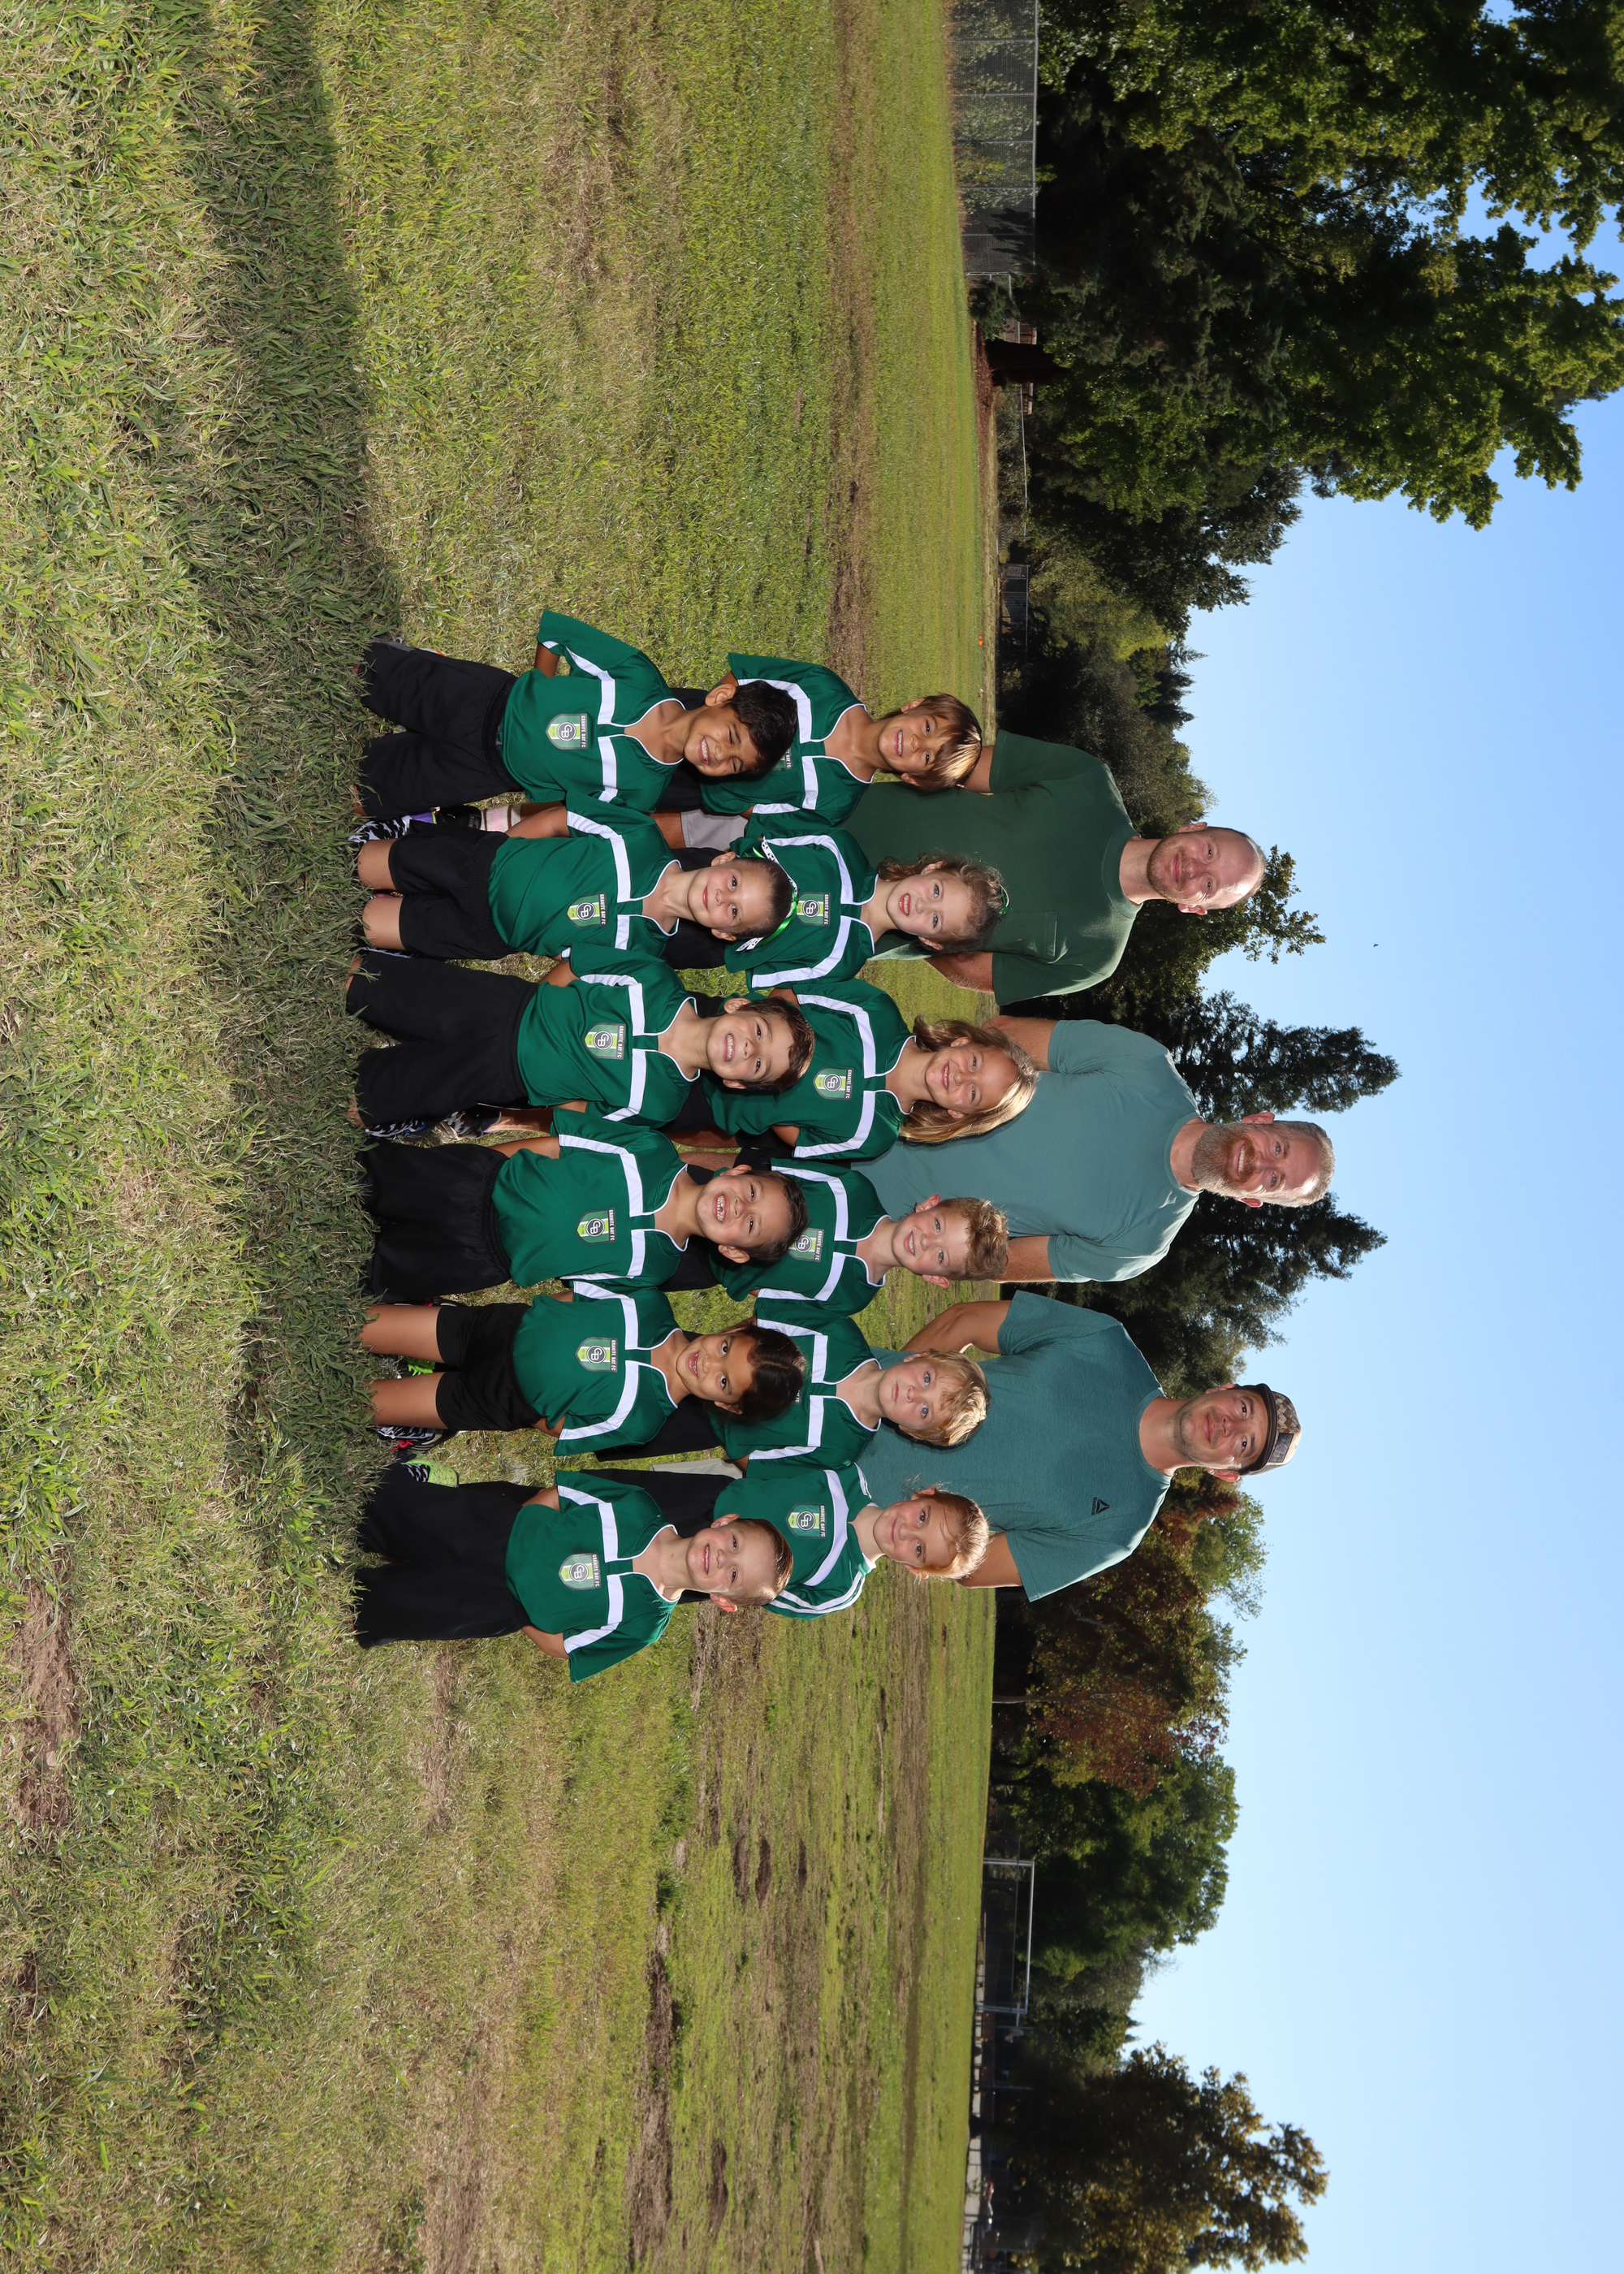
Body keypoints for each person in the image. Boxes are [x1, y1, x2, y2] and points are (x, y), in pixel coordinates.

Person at [857, 1294, 1302, 1599]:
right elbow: (966, 1321)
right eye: (1243, 1407)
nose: (1228, 1425)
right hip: (841, 1400)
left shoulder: (1118, 1531)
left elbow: (973, 1568)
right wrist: (880, 1402)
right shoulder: (1105, 1343)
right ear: (1225, 1389)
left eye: (1244, 1444)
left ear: (1225, 1473)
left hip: (850, 1506)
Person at [863, 1016, 1336, 1283]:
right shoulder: (1147, 1066)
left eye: (1275, 1179)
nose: (1262, 1163)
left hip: (867, 1214)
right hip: (873, 1108)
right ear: (1260, 1121)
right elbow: (1000, 1038)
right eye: (1278, 1147)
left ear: (1254, 1199)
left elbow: (997, 1263)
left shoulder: (1140, 1245)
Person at [843, 729, 1267, 1005]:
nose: (1193, 869)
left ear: (1194, 908)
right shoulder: (1088, 780)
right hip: (842, 813)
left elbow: (968, 968)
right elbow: (952, 766)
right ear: (1194, 827)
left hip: (842, 918)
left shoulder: (1097, 957)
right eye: (1208, 852)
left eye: (1208, 885)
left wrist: (911, 931)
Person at [346, 940, 812, 1138]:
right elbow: (580, 965)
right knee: (366, 982)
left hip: (499, 1077)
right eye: (759, 1032)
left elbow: (577, 1114)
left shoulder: (660, 1104)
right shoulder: (655, 979)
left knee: (364, 1099)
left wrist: (539, 1080)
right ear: (738, 1004)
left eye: (758, 1064)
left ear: (736, 1084)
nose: (748, 1048)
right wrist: (537, 1008)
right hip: (500, 1006)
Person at [351, 1467, 790, 1672]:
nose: (723, 1559)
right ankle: (364, 1517)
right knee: (386, 1508)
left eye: (734, 1575)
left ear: (721, 1600)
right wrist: (524, 1525)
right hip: (493, 1528)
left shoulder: (643, 1625)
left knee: (388, 1608)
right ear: (724, 1522)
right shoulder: (638, 1507)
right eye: (735, 1544)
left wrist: (523, 1609)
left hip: (496, 1605)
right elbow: (563, 1494)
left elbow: (565, 1647)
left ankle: (363, 1599)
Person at [352, 616, 797, 819]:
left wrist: (536, 785)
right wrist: (537, 689)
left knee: (361, 795)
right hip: (480, 699)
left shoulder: (643, 792)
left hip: (483, 771)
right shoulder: (638, 677)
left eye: (735, 764)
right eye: (731, 736)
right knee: (360, 668)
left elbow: (570, 812)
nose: (720, 755)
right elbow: (557, 634)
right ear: (720, 696)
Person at [359, 1113, 809, 1302]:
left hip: (481, 1259)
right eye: (752, 1192)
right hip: (475, 1186)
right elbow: (556, 1145)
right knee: (366, 1176)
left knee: (370, 1271)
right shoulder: (650, 1149)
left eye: (751, 1225)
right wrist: (483, 1167)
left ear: (733, 1251)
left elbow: (578, 1290)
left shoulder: (654, 1269)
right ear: (735, 1171)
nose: (738, 1208)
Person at [361, 1283, 805, 1447]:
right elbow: (580, 1296)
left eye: (723, 1382)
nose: (708, 1363)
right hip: (491, 1329)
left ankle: (417, 1414)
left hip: (495, 1400)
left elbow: (561, 1427)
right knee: (364, 1325)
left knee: (367, 1402)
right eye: (725, 1348)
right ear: (734, 1329)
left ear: (727, 1405)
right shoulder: (650, 1305)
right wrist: (540, 1320)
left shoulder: (643, 1422)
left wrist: (529, 1399)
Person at [353, 810, 793, 964]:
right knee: (359, 863)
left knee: (362, 923)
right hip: (480, 862)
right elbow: (559, 820)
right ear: (725, 858)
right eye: (734, 882)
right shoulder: (640, 837)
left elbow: (573, 963)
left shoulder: (643, 953)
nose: (722, 897)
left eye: (734, 911)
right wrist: (502, 849)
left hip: (487, 933)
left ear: (723, 933)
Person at [584, 1299, 988, 1467]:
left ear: (912, 1432)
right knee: (612, 1349)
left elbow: (762, 1467)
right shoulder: (841, 1334)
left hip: (699, 1428)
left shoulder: (841, 1451)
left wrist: (732, 1434)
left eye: (924, 1410)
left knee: (603, 1422)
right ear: (918, 1356)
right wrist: (719, 1362)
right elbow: (758, 1325)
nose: (913, 1393)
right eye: (926, 1378)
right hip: (701, 1364)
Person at [697, 980, 1039, 1164]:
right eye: (975, 1063)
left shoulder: (875, 1136)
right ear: (963, 1042)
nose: (962, 1077)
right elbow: (789, 995)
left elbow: (800, 1138)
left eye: (973, 1093)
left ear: (959, 1113)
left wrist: (774, 1105)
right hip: (717, 1031)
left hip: (717, 1110)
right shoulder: (876, 1012)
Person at [645, 653, 983, 836]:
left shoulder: (836, 805)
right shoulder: (823, 688)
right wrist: (704, 720)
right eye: (927, 727)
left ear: (913, 779)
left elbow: (763, 818)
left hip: (688, 788)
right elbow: (743, 676)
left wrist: (733, 790)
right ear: (915, 705)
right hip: (679, 718)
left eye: (926, 757)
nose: (915, 743)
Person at [684, 1459, 989, 1617]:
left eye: (919, 1549)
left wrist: (729, 1590)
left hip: (707, 1571)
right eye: (922, 1517)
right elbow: (772, 1461)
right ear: (923, 1494)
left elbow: (768, 1597)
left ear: (915, 1568)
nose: (906, 1531)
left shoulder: (840, 1588)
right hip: (708, 1492)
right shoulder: (844, 1473)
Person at [723, 822, 1004, 990]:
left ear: (931, 942)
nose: (922, 905)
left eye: (935, 920)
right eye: (936, 891)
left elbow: (758, 968)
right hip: (716, 870)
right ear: (933, 868)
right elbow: (761, 842)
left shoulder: (842, 964)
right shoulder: (839, 847)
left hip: (718, 939)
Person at [708, 1165, 1008, 1311]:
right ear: (928, 1205)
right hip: (715, 1205)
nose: (926, 1241)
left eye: (941, 1256)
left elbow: (774, 1299)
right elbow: (761, 1174)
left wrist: (738, 1274)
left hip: (708, 1271)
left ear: (935, 1278)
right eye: (937, 1225)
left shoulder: (853, 1298)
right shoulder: (852, 1188)